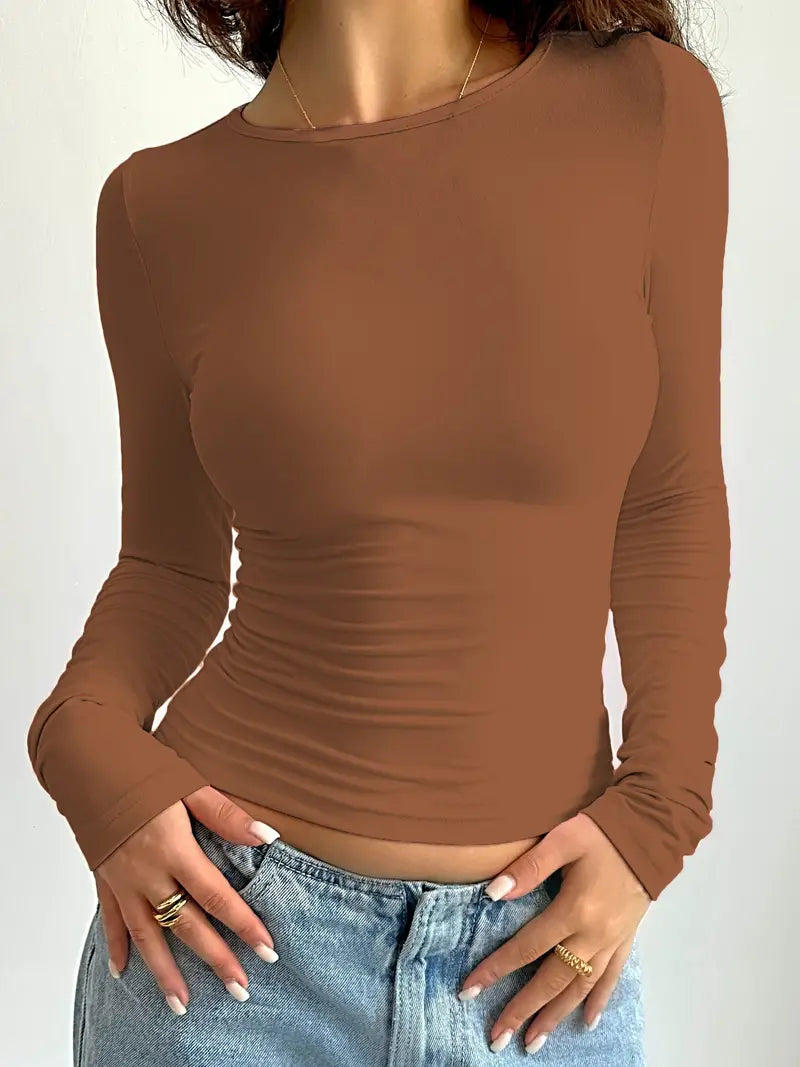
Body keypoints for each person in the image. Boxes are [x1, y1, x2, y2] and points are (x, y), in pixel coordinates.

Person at [27, 1, 731, 1064]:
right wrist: (81, 738)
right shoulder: (158, 206)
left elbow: (668, 502)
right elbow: (168, 568)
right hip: (227, 946)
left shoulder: (645, 105)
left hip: (539, 968)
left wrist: (659, 814)